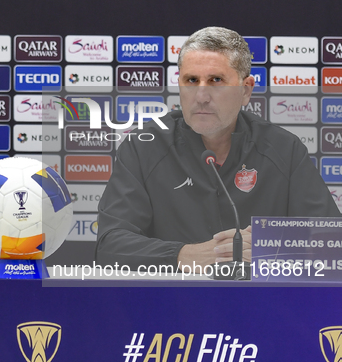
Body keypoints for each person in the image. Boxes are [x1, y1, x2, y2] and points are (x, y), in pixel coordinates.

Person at [96, 26, 340, 271]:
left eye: (216, 80)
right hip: (173, 302)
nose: (201, 95)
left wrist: (270, 250)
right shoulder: (143, 148)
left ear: (245, 90)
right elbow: (110, 247)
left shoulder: (284, 149)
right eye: (192, 80)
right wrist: (183, 255)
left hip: (261, 304)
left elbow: (332, 243)